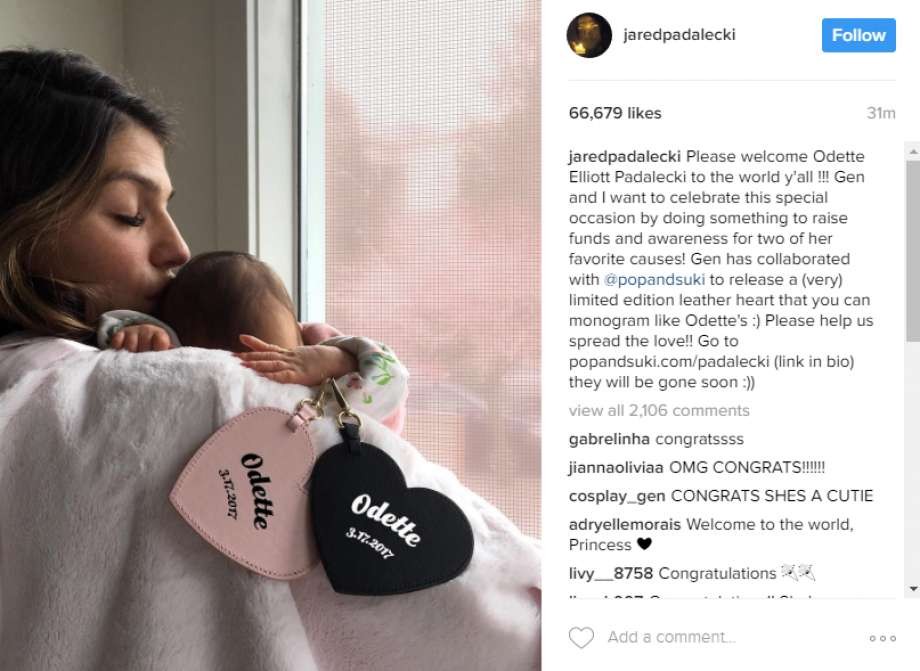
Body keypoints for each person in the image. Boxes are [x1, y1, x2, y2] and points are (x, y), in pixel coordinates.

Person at [0, 48, 539, 671]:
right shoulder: (213, 398)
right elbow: (511, 622)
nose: (178, 247)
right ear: (18, 222)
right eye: (130, 214)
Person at [96, 250, 407, 430]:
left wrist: (340, 362)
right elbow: (114, 346)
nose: (268, 379)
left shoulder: (326, 373)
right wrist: (137, 333)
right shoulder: (174, 357)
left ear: (301, 336)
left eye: (283, 358)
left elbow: (392, 379)